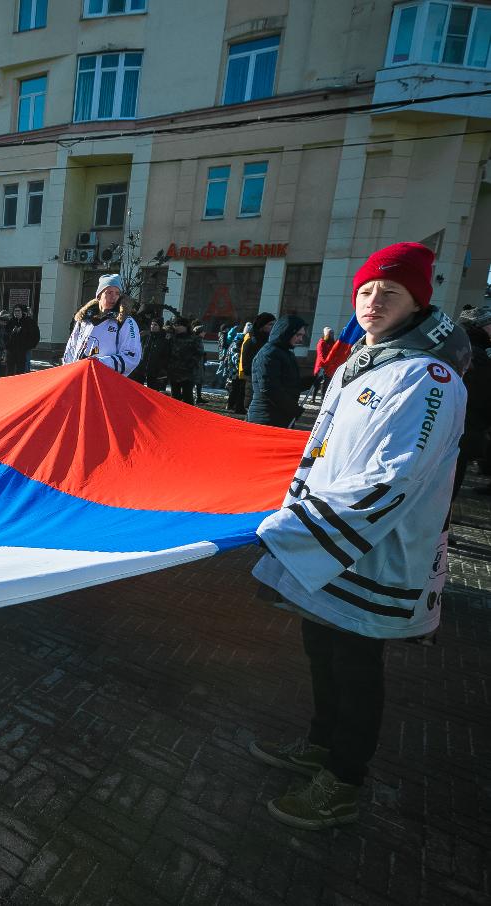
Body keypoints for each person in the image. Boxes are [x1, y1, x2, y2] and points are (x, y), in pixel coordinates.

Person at [249, 242, 469, 830]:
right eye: (367, 290)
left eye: (389, 293)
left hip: (373, 554)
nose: (373, 301)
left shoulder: (429, 377)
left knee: (356, 663)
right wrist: (292, 508)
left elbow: (391, 478)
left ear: (417, 302)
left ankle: (345, 780)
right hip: (330, 544)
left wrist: (296, 530)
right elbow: (320, 452)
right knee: (322, 649)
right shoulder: (360, 363)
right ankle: (321, 744)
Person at [62, 274, 142, 378]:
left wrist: (99, 363)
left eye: (117, 293)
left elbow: (132, 356)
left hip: (106, 381)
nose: (113, 297)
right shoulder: (84, 319)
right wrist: (67, 373)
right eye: (109, 292)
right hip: (79, 377)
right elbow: (71, 349)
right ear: (99, 295)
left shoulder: (125, 321)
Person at [453, 305, 491, 499]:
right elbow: (481, 395)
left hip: (458, 425)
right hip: (466, 426)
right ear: (480, 326)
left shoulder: (458, 346)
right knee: (451, 482)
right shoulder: (476, 354)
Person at [246, 315, 312, 427]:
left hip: (280, 416)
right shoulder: (269, 353)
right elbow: (269, 388)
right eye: (298, 335)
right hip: (265, 418)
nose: (300, 339)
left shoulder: (285, 353)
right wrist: (293, 409)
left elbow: (289, 384)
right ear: (287, 332)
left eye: (302, 335)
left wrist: (311, 381)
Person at [241, 312, 277, 413]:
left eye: (274, 324)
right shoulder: (251, 342)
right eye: (270, 324)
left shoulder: (271, 342)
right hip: (253, 388)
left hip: (267, 390)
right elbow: (246, 367)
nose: (273, 327)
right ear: (262, 326)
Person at [166, 319, 204, 404]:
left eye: (178, 325)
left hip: (188, 373)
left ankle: (187, 415)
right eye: (175, 325)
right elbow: (166, 352)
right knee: (175, 397)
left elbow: (199, 353)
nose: (176, 327)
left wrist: (191, 364)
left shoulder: (194, 338)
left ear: (185, 327)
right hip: (174, 372)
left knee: (187, 397)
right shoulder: (172, 338)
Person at [4, 304, 41, 376]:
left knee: (23, 370)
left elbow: (35, 335)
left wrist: (28, 346)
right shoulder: (11, 322)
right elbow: (5, 335)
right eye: (15, 311)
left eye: (18, 311)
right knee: (10, 370)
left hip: (24, 350)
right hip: (12, 350)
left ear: (22, 312)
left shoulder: (29, 322)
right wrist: (12, 333)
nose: (16, 313)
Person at [141, 319, 170, 391]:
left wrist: (161, 368)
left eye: (155, 325)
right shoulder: (146, 337)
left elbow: (165, 356)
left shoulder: (163, 340)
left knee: (152, 391)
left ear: (160, 327)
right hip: (142, 369)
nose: (152, 326)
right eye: (152, 324)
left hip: (155, 371)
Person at [310, 326, 336, 403]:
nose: (332, 335)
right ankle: (313, 398)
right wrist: (325, 362)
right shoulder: (321, 342)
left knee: (326, 382)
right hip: (321, 366)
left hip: (328, 366)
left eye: (332, 333)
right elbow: (320, 354)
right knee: (317, 382)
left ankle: (322, 398)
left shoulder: (333, 343)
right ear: (326, 334)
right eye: (330, 333)